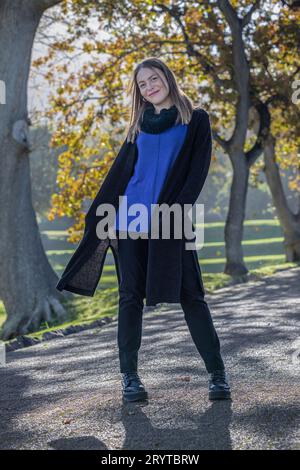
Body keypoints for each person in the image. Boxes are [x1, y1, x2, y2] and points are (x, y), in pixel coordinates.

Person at [113, 57, 231, 403]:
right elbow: (123, 174)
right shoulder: (136, 126)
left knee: (192, 295)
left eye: (154, 78)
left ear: (167, 77)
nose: (149, 86)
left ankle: (217, 375)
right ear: (140, 92)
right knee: (130, 297)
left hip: (171, 219)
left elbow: (196, 173)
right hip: (130, 221)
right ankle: (130, 378)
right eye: (142, 84)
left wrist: (174, 212)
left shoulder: (194, 120)